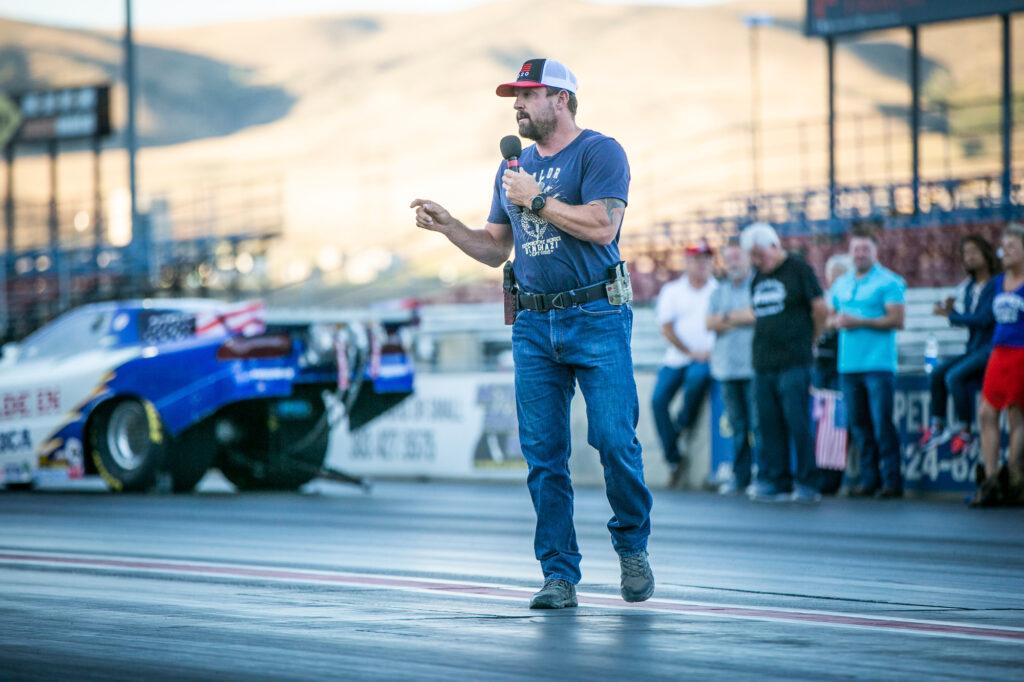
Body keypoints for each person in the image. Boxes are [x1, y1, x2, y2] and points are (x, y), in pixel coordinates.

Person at [410, 58, 654, 609]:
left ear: (561, 99)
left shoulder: (598, 152)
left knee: (615, 440)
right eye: (514, 97)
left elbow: (602, 225)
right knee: (543, 455)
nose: (517, 105)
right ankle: (559, 574)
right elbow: (497, 247)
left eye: (528, 94)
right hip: (534, 322)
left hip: (596, 316)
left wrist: (536, 199)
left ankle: (633, 545)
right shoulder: (512, 169)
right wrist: (450, 227)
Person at [741, 222, 828, 504]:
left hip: (795, 361)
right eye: (752, 256)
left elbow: (820, 309)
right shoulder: (757, 278)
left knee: (797, 422)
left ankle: (806, 481)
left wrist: (811, 340)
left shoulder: (798, 268)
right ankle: (775, 480)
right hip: (763, 362)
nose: (756, 261)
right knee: (768, 425)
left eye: (759, 255)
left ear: (775, 246)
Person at [829, 231, 906, 498]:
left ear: (875, 251)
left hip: (878, 364)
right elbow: (830, 316)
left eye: (865, 249)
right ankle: (868, 478)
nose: (860, 254)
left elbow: (897, 320)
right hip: (848, 365)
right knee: (859, 425)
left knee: (882, 423)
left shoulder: (890, 281)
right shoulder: (842, 283)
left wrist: (859, 321)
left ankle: (892, 480)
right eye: (856, 250)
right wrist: (835, 322)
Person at [920, 236, 999, 454]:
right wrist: (952, 312)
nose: (969, 257)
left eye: (974, 251)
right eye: (965, 253)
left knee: (954, 376)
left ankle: (966, 431)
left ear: (986, 253)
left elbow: (984, 319)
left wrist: (951, 315)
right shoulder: (970, 286)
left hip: (990, 348)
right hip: (974, 348)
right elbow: (973, 320)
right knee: (937, 373)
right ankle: (938, 425)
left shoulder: (996, 283)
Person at [652, 242, 717, 488]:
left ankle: (681, 425)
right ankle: (673, 456)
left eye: (706, 259)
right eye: (697, 259)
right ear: (687, 263)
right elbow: (666, 328)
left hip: (707, 358)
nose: (702, 264)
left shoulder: (717, 290)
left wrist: (706, 353)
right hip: (678, 357)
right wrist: (690, 351)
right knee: (657, 401)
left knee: (697, 379)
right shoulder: (672, 290)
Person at [972, 223, 1024, 507]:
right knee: (986, 413)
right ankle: (991, 477)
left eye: (1014, 247)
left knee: (1016, 415)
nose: (1007, 252)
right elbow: (983, 318)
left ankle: (1014, 473)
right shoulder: (997, 282)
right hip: (998, 353)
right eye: (1005, 247)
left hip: (1021, 353)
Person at [705, 239, 756, 495]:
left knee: (758, 425)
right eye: (730, 257)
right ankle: (741, 477)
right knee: (737, 426)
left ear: (748, 258)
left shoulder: (757, 285)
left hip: (753, 367)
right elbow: (709, 323)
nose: (734, 262)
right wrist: (738, 317)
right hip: (726, 368)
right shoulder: (718, 290)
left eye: (738, 257)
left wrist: (725, 317)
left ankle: (763, 475)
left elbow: (756, 315)